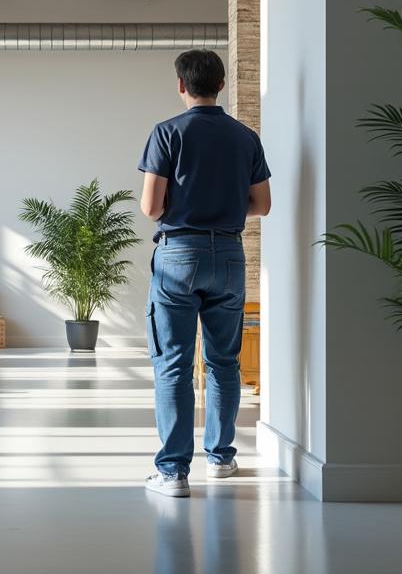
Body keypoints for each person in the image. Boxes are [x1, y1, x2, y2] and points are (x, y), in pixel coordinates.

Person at [137, 49, 271, 498]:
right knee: (224, 362)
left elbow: (151, 207)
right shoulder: (244, 137)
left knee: (173, 363)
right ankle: (221, 458)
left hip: (179, 253)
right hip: (230, 255)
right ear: (222, 84)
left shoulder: (167, 133)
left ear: (181, 85)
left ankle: (173, 472)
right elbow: (262, 205)